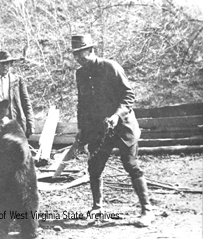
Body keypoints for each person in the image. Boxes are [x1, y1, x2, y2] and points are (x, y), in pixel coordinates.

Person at [71, 34, 154, 226]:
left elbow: (128, 96)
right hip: (99, 129)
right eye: (76, 56)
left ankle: (147, 210)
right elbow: (82, 104)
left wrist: (116, 115)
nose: (79, 59)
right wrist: (81, 129)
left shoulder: (111, 67)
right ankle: (97, 208)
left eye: (82, 54)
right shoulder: (80, 74)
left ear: (91, 51)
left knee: (131, 165)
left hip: (123, 126)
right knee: (94, 167)